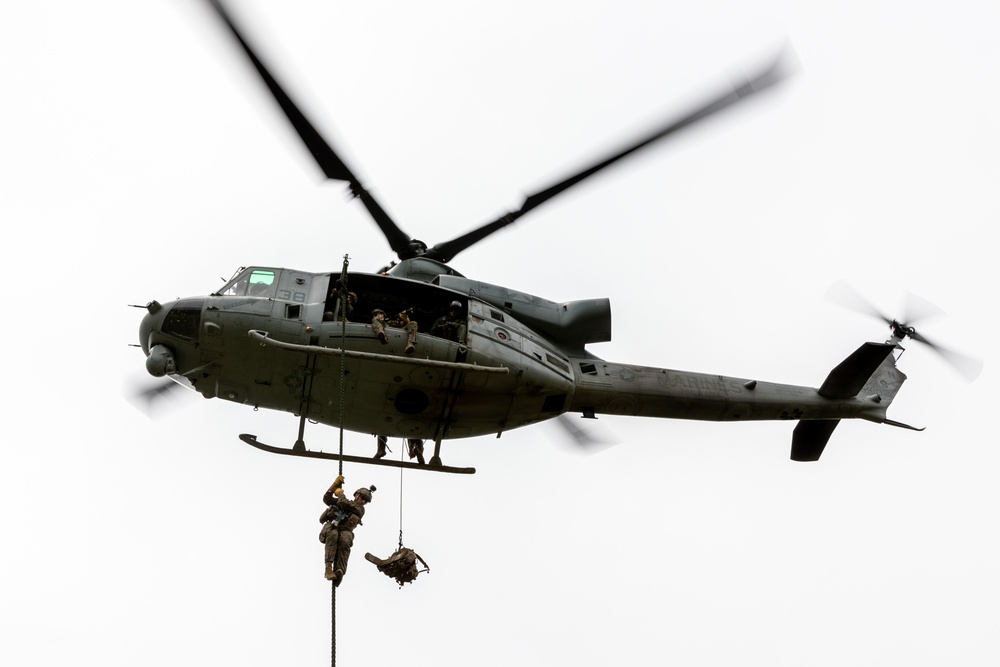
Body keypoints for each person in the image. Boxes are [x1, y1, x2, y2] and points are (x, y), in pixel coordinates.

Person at [319, 476, 375, 586]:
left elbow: (344, 503)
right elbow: (327, 498)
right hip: (332, 528)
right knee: (333, 534)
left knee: (345, 540)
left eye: (365, 501)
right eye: (362, 498)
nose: (363, 501)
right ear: (356, 495)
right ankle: (328, 568)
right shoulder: (341, 502)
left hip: (345, 531)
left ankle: (340, 571)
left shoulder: (360, 509)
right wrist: (335, 485)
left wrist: (340, 495)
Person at [365, 547, 429, 587]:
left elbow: (416, 556)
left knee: (390, 572)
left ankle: (385, 567)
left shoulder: (410, 559)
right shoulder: (411, 555)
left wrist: (424, 563)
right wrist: (424, 563)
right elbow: (416, 555)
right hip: (402, 561)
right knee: (410, 558)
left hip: (400, 565)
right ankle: (386, 566)